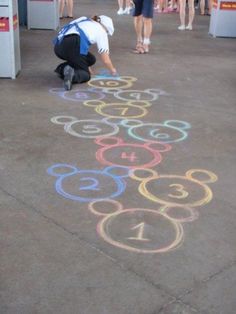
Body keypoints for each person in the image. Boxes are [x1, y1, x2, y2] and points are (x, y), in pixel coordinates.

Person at [53, 15, 117, 91]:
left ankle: (62, 68)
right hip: (74, 45)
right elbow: (106, 59)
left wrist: (86, 65)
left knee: (91, 59)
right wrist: (113, 70)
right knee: (86, 75)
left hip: (58, 46)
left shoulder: (84, 19)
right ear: (106, 28)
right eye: (107, 32)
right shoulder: (101, 31)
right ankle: (73, 75)